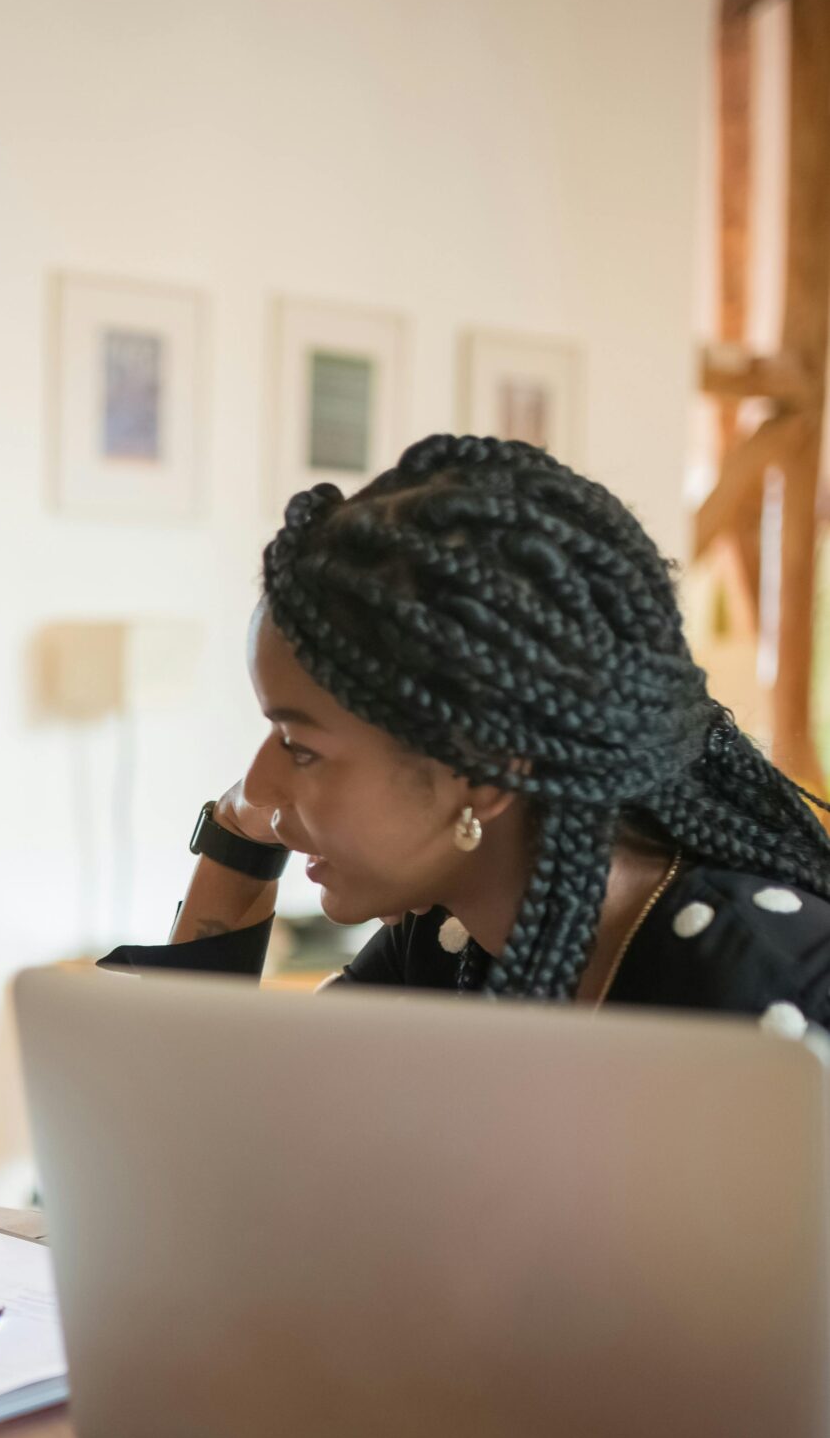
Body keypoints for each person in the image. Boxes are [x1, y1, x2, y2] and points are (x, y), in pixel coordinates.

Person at [107, 433, 830, 1029]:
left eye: (299, 747)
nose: (259, 785)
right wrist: (235, 848)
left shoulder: (767, 989)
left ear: (483, 771)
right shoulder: (448, 939)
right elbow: (197, 1150)